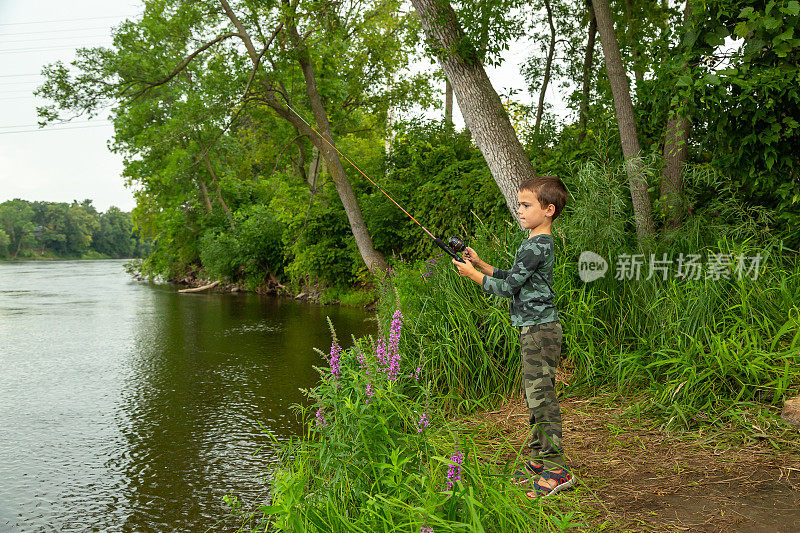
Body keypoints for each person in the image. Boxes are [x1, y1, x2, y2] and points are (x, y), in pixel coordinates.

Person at [451, 175, 574, 498]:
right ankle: (537, 461)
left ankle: (557, 470)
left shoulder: (538, 244)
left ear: (548, 210)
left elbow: (508, 290)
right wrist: (482, 265)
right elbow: (514, 278)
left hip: (540, 330)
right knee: (532, 395)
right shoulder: (534, 243)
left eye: (525, 205)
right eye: (518, 204)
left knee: (541, 398)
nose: (518, 210)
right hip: (533, 329)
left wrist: (473, 276)